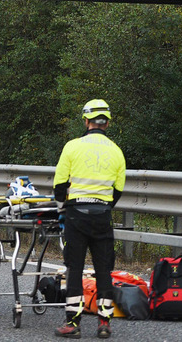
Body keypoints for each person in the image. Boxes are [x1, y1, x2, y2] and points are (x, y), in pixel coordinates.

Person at [52, 99, 127, 339]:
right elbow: (118, 189)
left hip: (76, 215)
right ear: (107, 123)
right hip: (102, 215)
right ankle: (104, 323)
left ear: (86, 121)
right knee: (104, 269)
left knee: (74, 268)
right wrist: (103, 205)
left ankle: (73, 324)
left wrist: (64, 208)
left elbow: (59, 186)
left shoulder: (72, 147)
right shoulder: (116, 151)